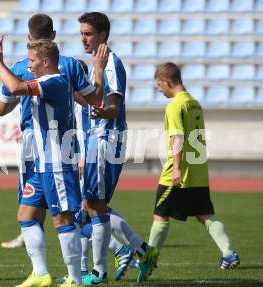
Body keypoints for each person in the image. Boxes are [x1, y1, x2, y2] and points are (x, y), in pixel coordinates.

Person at [0, 14, 105, 287]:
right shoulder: (52, 77)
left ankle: (75, 279)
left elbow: (15, 87)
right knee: (26, 214)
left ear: (45, 62)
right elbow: (92, 97)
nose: (28, 65)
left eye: (32, 61)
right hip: (42, 162)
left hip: (56, 161)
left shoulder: (53, 81)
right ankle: (41, 274)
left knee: (62, 217)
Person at [77, 12, 159, 284]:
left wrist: (99, 111)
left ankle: (100, 272)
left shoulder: (110, 64)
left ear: (102, 35)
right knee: (90, 205)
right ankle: (140, 251)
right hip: (95, 140)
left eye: (88, 33)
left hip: (105, 140)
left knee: (94, 205)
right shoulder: (96, 65)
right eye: (82, 33)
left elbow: (112, 108)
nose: (83, 39)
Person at [148, 62, 240, 270]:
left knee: (160, 214)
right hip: (198, 172)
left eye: (159, 84)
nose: (158, 88)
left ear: (167, 81)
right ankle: (229, 253)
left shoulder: (174, 105)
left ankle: (149, 258)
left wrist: (177, 169)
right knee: (205, 215)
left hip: (178, 172)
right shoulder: (194, 102)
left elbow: (177, 137)